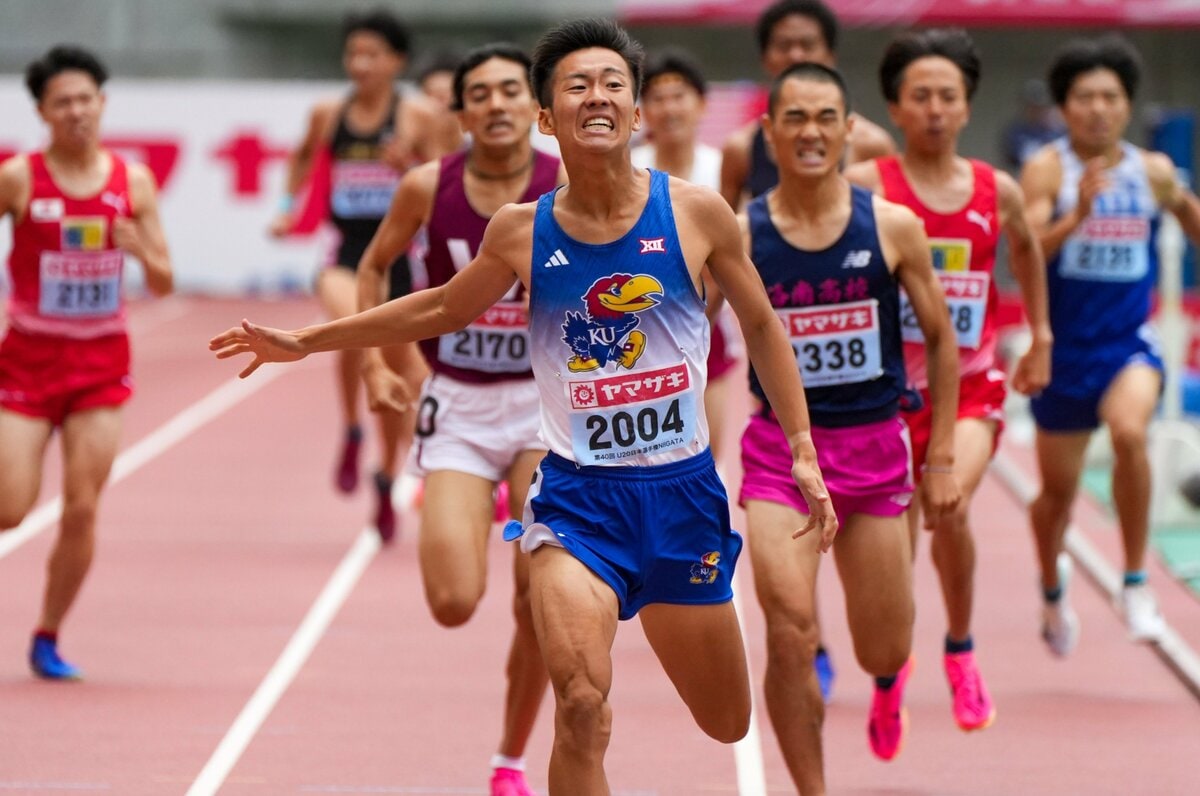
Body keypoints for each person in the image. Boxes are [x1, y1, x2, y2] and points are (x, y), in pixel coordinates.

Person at [211, 18, 835, 791]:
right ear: (550, 118)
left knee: (727, 720)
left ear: (636, 114)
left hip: (680, 498)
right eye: (577, 85)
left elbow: (765, 326)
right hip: (577, 499)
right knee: (579, 703)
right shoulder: (520, 232)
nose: (597, 96)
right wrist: (309, 341)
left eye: (614, 84)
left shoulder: (696, 214)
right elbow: (437, 307)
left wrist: (802, 445)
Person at [738, 63, 959, 789]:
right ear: (769, 131)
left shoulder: (892, 226)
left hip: (875, 455)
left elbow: (943, 338)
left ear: (847, 128)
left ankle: (890, 686)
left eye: (824, 117)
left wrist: (944, 458)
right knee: (790, 627)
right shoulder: (741, 234)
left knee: (884, 649)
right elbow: (685, 327)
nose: (809, 132)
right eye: (794, 118)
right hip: (780, 457)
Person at [354, 43, 564, 796]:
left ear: (535, 106)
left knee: (538, 596)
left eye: (513, 91)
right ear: (462, 110)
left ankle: (509, 758)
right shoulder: (425, 186)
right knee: (451, 602)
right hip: (463, 404)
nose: (499, 105)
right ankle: (491, 498)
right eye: (483, 94)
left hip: (549, 408)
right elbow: (373, 266)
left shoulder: (564, 182)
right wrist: (379, 363)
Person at [844, 28, 1052, 733]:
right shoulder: (869, 189)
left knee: (950, 502)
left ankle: (960, 651)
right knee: (890, 547)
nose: (935, 109)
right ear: (896, 110)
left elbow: (1026, 254)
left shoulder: (1000, 190)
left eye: (948, 97)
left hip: (970, 387)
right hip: (885, 396)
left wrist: (1041, 337)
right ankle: (889, 671)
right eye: (920, 96)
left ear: (967, 108)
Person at [1020, 35, 1200, 652]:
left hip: (1129, 343)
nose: (1098, 108)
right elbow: (1027, 254)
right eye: (1085, 97)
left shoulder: (1149, 170)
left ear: (1126, 106)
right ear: (1066, 107)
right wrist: (1077, 215)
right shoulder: (1048, 169)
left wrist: (1182, 203)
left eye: (1110, 97)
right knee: (1055, 500)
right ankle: (1050, 587)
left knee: (1129, 433)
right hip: (1065, 351)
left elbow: (1189, 218)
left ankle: (1133, 581)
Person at [0, 45, 173, 680]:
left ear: (103, 103)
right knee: (10, 509)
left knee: (81, 507)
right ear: (43, 112)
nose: (76, 111)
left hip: (100, 366)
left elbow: (165, 281)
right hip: (27, 363)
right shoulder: (19, 176)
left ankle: (47, 635)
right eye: (62, 102)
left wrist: (140, 251)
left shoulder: (133, 182)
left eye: (86, 99)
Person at [268, 8, 460, 541]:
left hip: (400, 255)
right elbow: (301, 159)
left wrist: (408, 168)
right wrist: (288, 207)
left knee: (396, 382)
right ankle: (351, 428)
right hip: (347, 251)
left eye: (372, 54)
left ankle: (386, 469)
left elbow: (447, 180)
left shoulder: (420, 115)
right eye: (353, 54)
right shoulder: (329, 114)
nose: (360, 64)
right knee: (352, 317)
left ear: (396, 60)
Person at [631, 49, 743, 460]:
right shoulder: (629, 170)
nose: (669, 107)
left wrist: (697, 325)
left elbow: (730, 265)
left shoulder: (721, 174)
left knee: (705, 462)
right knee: (642, 463)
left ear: (701, 105)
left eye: (679, 95)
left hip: (708, 337)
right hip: (638, 339)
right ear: (642, 111)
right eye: (657, 97)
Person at [719, 0, 895, 211]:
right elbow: (725, 231)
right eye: (784, 46)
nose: (796, 55)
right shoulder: (741, 148)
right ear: (765, 59)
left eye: (808, 44)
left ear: (831, 56)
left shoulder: (872, 144)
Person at [1000, 79, 1064, 174]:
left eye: (1041, 107)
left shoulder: (1059, 131)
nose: (1037, 111)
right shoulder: (1016, 132)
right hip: (1024, 177)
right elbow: (1010, 160)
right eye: (1032, 106)